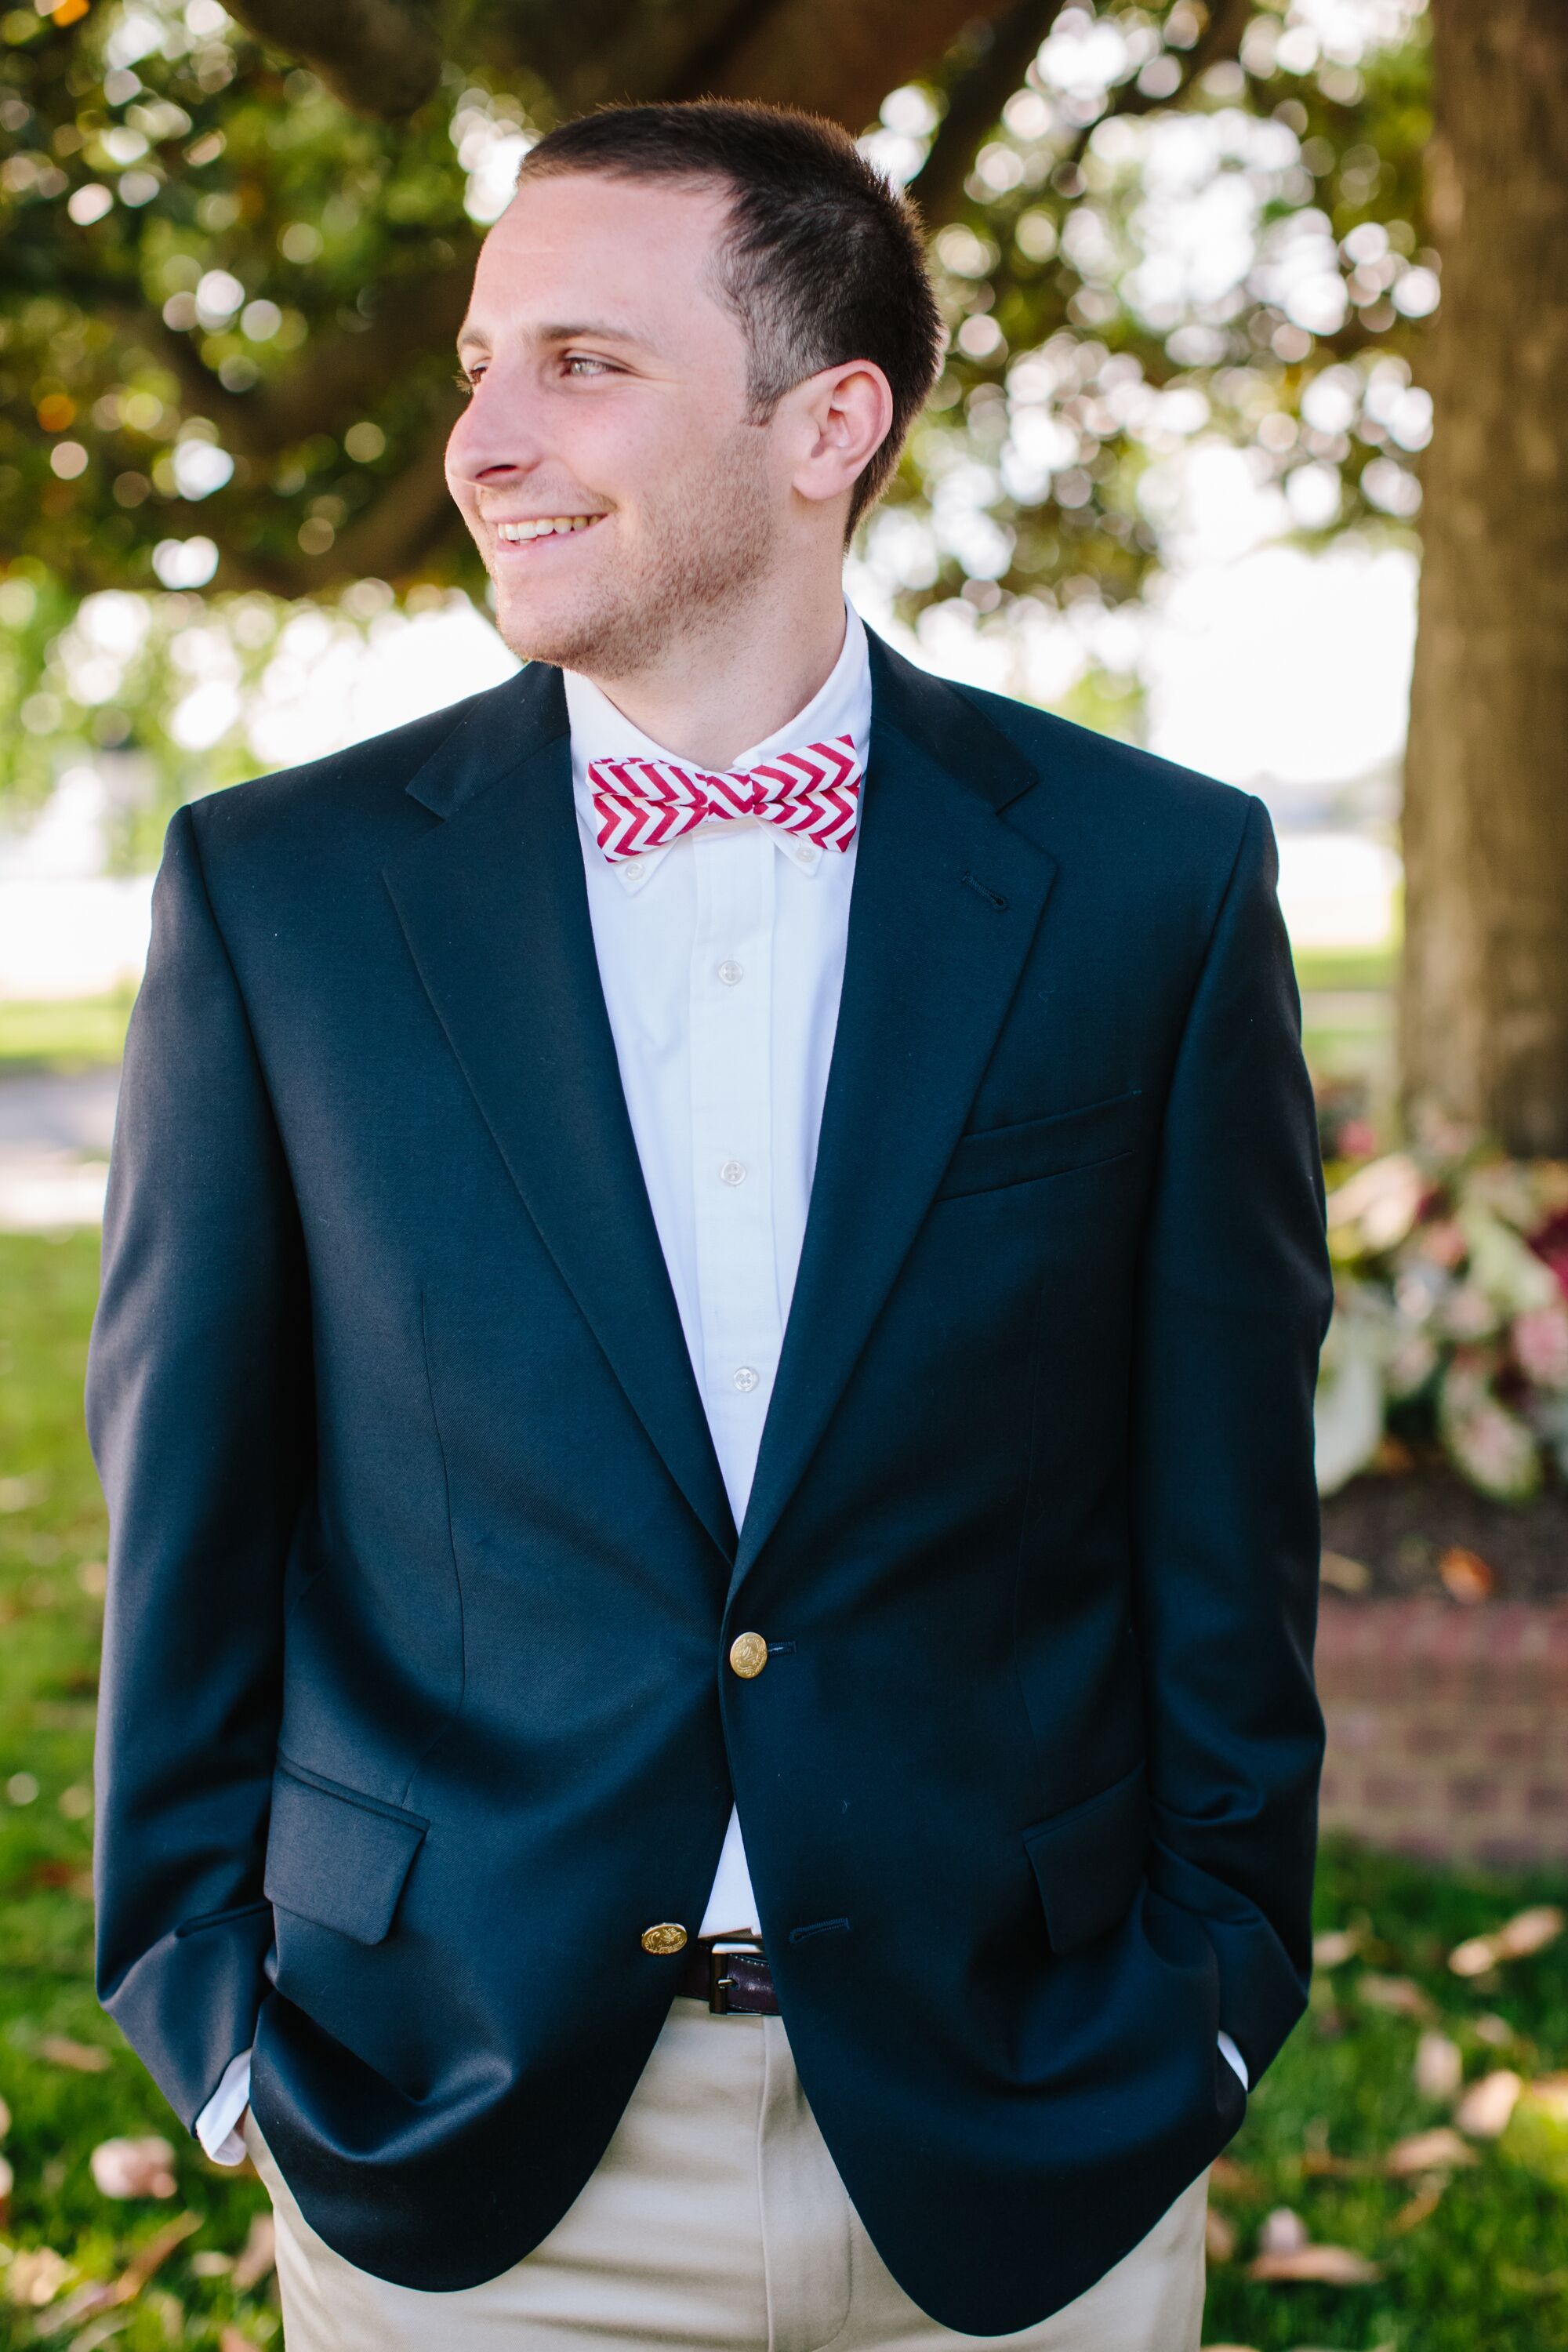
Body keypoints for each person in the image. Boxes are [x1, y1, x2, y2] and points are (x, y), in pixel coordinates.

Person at [87, 99, 1333, 2351]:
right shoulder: (280, 899)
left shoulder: (1156, 886)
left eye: (582, 361)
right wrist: (215, 2024)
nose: (482, 436)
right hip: (455, 2127)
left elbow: (1223, 1513)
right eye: (481, 363)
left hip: (1030, 2118)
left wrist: (1221, 1992)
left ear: (827, 420)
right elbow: (191, 1506)